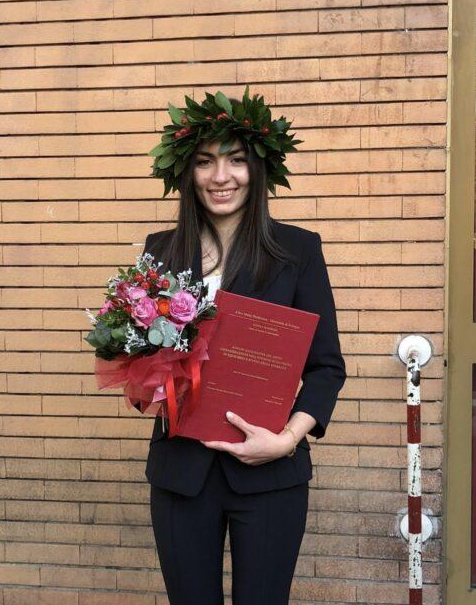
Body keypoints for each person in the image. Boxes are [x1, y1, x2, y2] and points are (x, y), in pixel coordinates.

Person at [141, 88, 346, 605]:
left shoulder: (298, 250)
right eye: (206, 162)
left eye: (235, 160)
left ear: (257, 170)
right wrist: (144, 379)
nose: (221, 176)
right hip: (181, 473)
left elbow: (326, 367)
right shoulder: (161, 250)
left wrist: (289, 439)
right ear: (187, 173)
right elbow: (144, 358)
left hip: (271, 473)